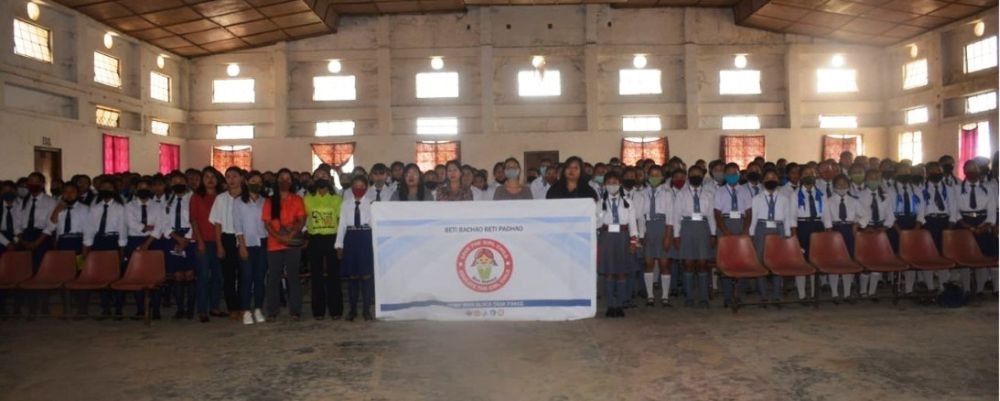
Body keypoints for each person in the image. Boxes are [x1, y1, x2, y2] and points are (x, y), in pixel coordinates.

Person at [262, 169, 307, 321]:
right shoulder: (269, 201)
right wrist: (280, 238)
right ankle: (272, 310)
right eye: (282, 178)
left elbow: (301, 220)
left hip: (292, 243)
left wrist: (290, 235)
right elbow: (267, 224)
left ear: (292, 182)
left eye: (288, 178)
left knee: (293, 277)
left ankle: (295, 310)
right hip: (274, 244)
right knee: (273, 277)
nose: (284, 181)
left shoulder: (297, 199)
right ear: (277, 181)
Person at [82, 179, 127, 318]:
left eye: (109, 187)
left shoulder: (120, 208)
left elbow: (122, 229)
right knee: (101, 275)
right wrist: (87, 248)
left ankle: (118, 307)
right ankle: (105, 307)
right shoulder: (94, 208)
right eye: (103, 187)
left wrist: (121, 250)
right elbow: (89, 229)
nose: (106, 190)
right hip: (99, 241)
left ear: (114, 190)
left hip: (113, 241)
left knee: (116, 275)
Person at [671, 166, 715, 308]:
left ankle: (703, 297)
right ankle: (689, 297)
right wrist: (676, 235)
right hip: (687, 228)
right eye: (693, 174)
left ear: (703, 176)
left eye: (698, 174)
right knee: (688, 263)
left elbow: (711, 216)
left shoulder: (708, 194)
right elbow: (676, 216)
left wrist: (713, 234)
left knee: (702, 263)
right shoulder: (681, 194)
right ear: (688, 176)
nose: (696, 176)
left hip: (703, 228)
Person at [596, 172, 638, 318]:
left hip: (623, 237)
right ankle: (610, 306)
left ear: (620, 184)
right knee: (609, 272)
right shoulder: (600, 202)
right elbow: (597, 224)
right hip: (607, 238)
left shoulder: (628, 202)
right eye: (609, 182)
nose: (612, 185)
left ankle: (620, 305)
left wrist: (633, 241)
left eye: (615, 182)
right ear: (604, 185)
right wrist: (601, 214)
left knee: (621, 272)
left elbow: (633, 223)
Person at [304, 168, 344, 320]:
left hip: (332, 239)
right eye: (318, 175)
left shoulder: (336, 199)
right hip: (314, 239)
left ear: (329, 179)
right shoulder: (307, 199)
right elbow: (304, 220)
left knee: (334, 275)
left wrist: (340, 243)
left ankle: (336, 310)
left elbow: (340, 222)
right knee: (316, 276)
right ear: (313, 179)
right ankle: (318, 311)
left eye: (324, 175)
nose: (321, 178)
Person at [15, 172, 56, 316]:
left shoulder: (50, 201)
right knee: (24, 272)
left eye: (35, 181)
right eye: (30, 181)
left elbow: (51, 224)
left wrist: (38, 241)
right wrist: (22, 240)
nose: (32, 184)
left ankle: (44, 304)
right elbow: (17, 224)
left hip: (42, 237)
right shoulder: (21, 202)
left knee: (41, 272)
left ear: (42, 183)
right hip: (25, 237)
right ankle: (29, 305)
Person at [336, 175, 376, 321]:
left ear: (366, 187)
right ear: (351, 187)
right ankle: (352, 310)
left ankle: (366, 310)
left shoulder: (372, 204)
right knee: (352, 276)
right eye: (356, 186)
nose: (359, 188)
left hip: (366, 238)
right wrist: (339, 245)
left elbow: (374, 225)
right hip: (351, 239)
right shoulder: (345, 204)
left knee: (366, 276)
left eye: (362, 186)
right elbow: (342, 225)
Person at [955, 160, 997, 296]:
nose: (973, 172)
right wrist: (966, 226)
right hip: (964, 224)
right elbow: (954, 211)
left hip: (983, 223)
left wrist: (985, 226)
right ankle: (966, 288)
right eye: (969, 169)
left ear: (979, 172)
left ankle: (983, 288)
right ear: (964, 171)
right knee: (964, 258)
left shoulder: (988, 189)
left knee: (987, 256)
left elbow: (992, 212)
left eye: (975, 169)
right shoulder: (957, 189)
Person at [124, 178, 163, 319]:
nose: (143, 190)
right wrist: (146, 227)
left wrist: (147, 243)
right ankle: (140, 308)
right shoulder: (129, 206)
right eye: (140, 187)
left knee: (155, 276)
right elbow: (132, 224)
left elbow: (159, 227)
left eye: (146, 187)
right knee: (137, 275)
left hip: (154, 241)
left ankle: (156, 308)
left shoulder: (158, 206)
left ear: (151, 190)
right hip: (134, 240)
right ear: (135, 190)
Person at [159, 172, 197, 320]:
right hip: (173, 238)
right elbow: (164, 223)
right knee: (177, 275)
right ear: (170, 184)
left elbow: (196, 219)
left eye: (180, 180)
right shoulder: (167, 200)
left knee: (189, 274)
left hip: (190, 237)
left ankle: (190, 309)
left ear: (185, 182)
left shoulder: (193, 198)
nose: (177, 183)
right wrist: (177, 238)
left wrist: (186, 239)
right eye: (174, 181)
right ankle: (180, 309)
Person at [209, 167, 245, 321]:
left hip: (245, 239)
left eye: (235, 176)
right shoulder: (221, 198)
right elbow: (217, 223)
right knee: (229, 276)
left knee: (244, 275)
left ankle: (243, 306)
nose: (231, 180)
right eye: (228, 176)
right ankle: (233, 308)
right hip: (227, 238)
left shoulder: (247, 197)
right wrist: (219, 245)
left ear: (241, 178)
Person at [715, 163, 752, 307]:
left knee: (740, 261)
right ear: (725, 176)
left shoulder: (745, 191)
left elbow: (749, 213)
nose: (732, 176)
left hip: (741, 224)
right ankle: (727, 296)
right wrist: (724, 230)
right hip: (725, 224)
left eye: (734, 173)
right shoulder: (719, 191)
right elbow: (717, 213)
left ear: (739, 174)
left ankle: (738, 295)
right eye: (729, 174)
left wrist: (745, 229)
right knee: (725, 262)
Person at [233, 171, 268, 325]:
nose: (256, 184)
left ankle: (258, 308)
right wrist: (242, 245)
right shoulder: (238, 202)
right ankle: (246, 310)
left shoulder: (264, 201)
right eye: (253, 181)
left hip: (262, 243)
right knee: (246, 277)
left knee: (260, 278)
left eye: (259, 182)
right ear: (246, 182)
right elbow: (237, 225)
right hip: (246, 243)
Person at [823, 174, 864, 303]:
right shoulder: (828, 201)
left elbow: (865, 215)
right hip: (834, 230)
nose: (842, 187)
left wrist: (858, 224)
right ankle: (834, 293)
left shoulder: (854, 201)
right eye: (839, 184)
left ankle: (847, 293)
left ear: (849, 186)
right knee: (834, 262)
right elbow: (826, 217)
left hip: (849, 231)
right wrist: (829, 231)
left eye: (844, 184)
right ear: (834, 186)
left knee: (848, 261)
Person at [191, 167, 223, 322]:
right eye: (206, 177)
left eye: (213, 176)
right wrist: (200, 241)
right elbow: (194, 220)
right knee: (203, 276)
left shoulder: (222, 197)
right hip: (204, 241)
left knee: (218, 276)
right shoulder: (197, 197)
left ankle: (214, 307)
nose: (210, 180)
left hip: (220, 241)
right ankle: (202, 310)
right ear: (202, 180)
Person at [639, 165, 672, 307]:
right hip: (648, 227)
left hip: (662, 227)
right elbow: (641, 216)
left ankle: (665, 296)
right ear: (647, 177)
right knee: (648, 263)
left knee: (664, 263)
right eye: (651, 175)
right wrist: (642, 234)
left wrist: (668, 235)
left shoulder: (667, 193)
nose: (654, 178)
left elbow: (670, 216)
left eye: (657, 175)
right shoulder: (642, 193)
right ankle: (650, 296)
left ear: (662, 177)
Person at [858, 169, 893, 300]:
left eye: (877, 178)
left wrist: (885, 227)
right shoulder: (860, 196)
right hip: (866, 230)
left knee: (878, 261)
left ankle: (872, 291)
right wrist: (865, 227)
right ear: (866, 180)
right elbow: (857, 214)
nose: (874, 180)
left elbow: (890, 215)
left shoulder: (885, 196)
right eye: (871, 178)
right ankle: (863, 290)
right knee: (866, 260)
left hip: (881, 230)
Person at [790, 165, 824, 300]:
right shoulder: (795, 195)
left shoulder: (820, 194)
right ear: (801, 177)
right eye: (806, 174)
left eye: (812, 173)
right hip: (802, 227)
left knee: (816, 260)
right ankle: (802, 294)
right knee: (802, 261)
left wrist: (827, 230)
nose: (809, 176)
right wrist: (794, 235)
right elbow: (792, 216)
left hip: (818, 226)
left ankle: (814, 293)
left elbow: (826, 214)